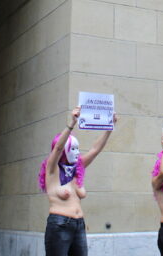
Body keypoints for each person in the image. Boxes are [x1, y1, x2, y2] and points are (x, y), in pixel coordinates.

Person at [38, 106, 117, 256]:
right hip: (59, 224)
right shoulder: (52, 170)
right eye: (73, 149)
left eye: (77, 148)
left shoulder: (76, 169)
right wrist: (71, 124)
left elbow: (95, 150)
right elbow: (58, 148)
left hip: (79, 225)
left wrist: (109, 127)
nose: (77, 152)